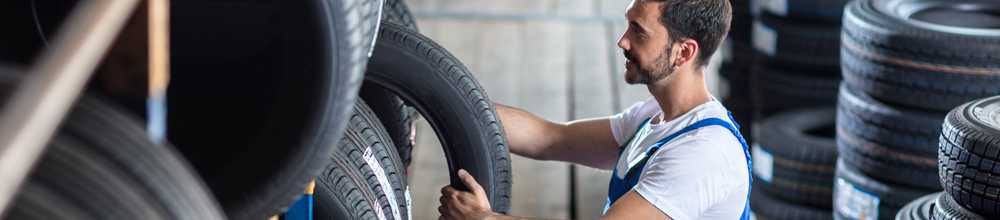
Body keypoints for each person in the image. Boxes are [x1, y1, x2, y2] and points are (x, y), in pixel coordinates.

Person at [439, 0, 749, 219]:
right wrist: (442, 97)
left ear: (684, 52)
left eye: (638, 31)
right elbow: (551, 138)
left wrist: (484, 219)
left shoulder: (702, 153)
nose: (622, 41)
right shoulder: (654, 117)